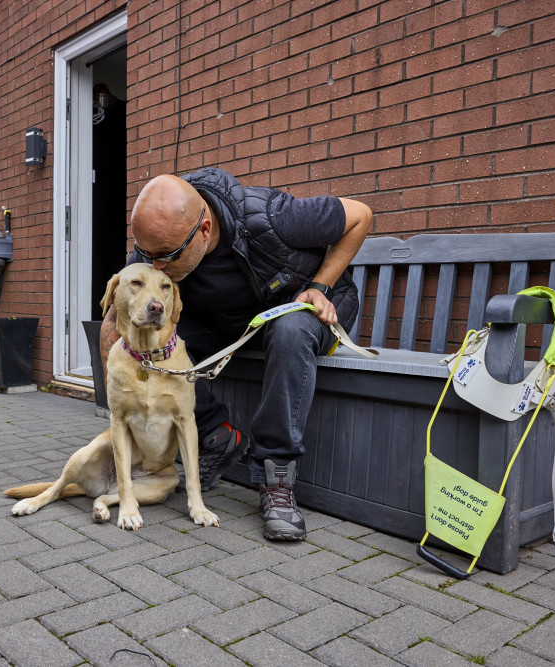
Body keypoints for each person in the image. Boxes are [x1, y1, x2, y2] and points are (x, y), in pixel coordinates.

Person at [100, 168, 372, 540]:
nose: (156, 265)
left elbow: (360, 215)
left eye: (166, 256)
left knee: (289, 330)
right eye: (147, 254)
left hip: (303, 310)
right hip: (227, 326)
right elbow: (115, 322)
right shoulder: (159, 244)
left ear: (205, 229)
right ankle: (216, 433)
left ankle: (276, 477)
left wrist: (319, 285)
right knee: (144, 341)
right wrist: (122, 412)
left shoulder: (273, 216)